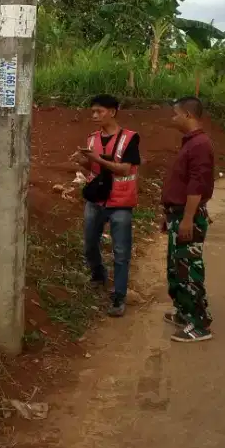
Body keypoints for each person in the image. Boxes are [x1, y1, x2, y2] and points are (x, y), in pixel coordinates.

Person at [71, 94, 142, 318]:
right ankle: (98, 275)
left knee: (121, 252)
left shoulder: (130, 139)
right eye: (92, 112)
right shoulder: (92, 139)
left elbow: (123, 169)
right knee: (90, 245)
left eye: (99, 111)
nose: (94, 116)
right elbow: (92, 167)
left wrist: (97, 159)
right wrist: (82, 160)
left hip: (120, 202)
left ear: (112, 112)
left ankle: (119, 296)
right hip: (96, 199)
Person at [161, 96, 216, 343]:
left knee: (189, 271)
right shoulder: (191, 144)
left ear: (188, 115)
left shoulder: (199, 145)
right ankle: (184, 313)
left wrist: (187, 219)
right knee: (176, 268)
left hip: (187, 216)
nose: (172, 118)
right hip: (179, 214)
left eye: (175, 114)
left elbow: (197, 185)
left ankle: (199, 325)